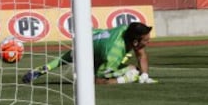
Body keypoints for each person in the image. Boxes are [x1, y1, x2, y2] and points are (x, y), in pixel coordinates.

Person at [22, 22, 157, 84]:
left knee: (66, 58)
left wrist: (145, 75)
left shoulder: (125, 29)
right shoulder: (113, 54)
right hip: (95, 53)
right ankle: (83, 75)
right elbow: (100, 81)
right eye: (146, 40)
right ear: (134, 42)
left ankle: (43, 69)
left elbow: (141, 53)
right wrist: (125, 79)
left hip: (87, 38)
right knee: (133, 71)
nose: (149, 41)